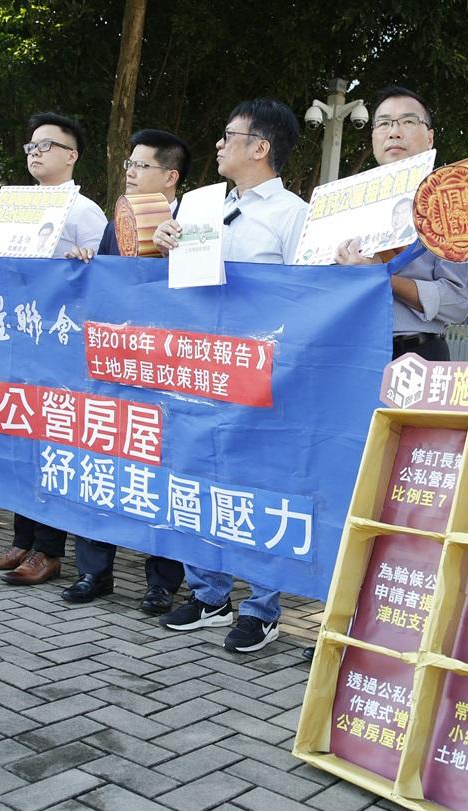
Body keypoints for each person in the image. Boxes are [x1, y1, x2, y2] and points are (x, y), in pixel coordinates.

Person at [152, 99, 307, 652]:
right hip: (200, 371)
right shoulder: (202, 206)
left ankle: (262, 608)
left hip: (261, 376)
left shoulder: (293, 214)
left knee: (259, 488)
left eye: (228, 135)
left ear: (260, 147)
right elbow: (186, 287)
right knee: (196, 478)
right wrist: (167, 246)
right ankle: (209, 595)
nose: (218, 145)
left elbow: (306, 297)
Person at [0, 112, 108, 586]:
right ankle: (22, 541)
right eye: (31, 146)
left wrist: (83, 263)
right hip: (15, 340)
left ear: (72, 156)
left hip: (60, 348)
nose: (35, 153)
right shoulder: (14, 207)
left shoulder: (86, 211)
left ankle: (48, 551)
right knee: (20, 442)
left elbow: (105, 277)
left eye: (46, 145)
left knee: (52, 446)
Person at [64, 129, 189, 614]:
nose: (130, 172)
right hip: (113, 362)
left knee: (168, 470)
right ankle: (94, 571)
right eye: (129, 165)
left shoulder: (195, 221)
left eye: (141, 165)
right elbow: (101, 288)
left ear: (170, 176)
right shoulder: (114, 223)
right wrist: (86, 263)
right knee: (102, 459)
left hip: (170, 367)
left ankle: (162, 583)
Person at [335, 85, 468, 362]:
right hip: (350, 355)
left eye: (408, 122)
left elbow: (456, 302)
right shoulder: (344, 204)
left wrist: (380, 277)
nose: (394, 132)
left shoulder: (449, 202)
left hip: (417, 354)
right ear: (373, 136)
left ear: (430, 137)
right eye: (384, 123)